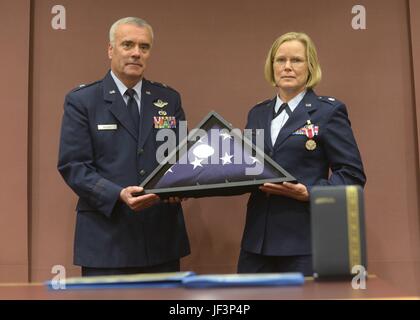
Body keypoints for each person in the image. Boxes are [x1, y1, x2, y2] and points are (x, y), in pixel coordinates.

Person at [57, 17, 190, 276]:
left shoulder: (168, 99)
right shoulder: (83, 100)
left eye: (144, 47)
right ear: (110, 49)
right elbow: (73, 166)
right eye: (127, 44)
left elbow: (180, 158)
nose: (136, 53)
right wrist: (117, 194)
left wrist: (182, 185)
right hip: (106, 238)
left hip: (160, 237)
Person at [238, 32, 366, 276]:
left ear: (310, 67)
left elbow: (352, 175)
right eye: (280, 60)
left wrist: (310, 192)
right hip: (256, 242)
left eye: (296, 60)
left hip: (303, 242)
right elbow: (246, 169)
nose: (287, 67)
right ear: (271, 66)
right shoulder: (257, 113)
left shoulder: (328, 112)